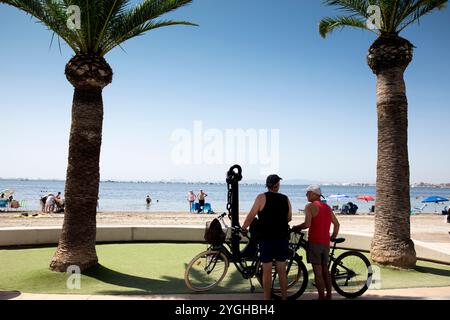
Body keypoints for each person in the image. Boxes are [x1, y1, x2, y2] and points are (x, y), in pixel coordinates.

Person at [242, 174, 292, 300]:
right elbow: (289, 218)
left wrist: (244, 228)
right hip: (282, 238)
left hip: (266, 239)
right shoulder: (285, 199)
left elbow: (251, 216)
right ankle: (284, 298)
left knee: (267, 271)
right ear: (278, 185)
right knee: (282, 270)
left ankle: (266, 299)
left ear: (267, 185)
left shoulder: (261, 197)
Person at [292, 185, 340, 300]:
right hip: (325, 243)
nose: (306, 195)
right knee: (325, 270)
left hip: (315, 243)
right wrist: (332, 236)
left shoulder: (309, 206)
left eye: (308, 193)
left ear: (314, 194)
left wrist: (297, 227)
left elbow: (307, 224)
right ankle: (329, 296)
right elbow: (337, 224)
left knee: (318, 272)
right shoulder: (327, 207)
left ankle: (321, 297)